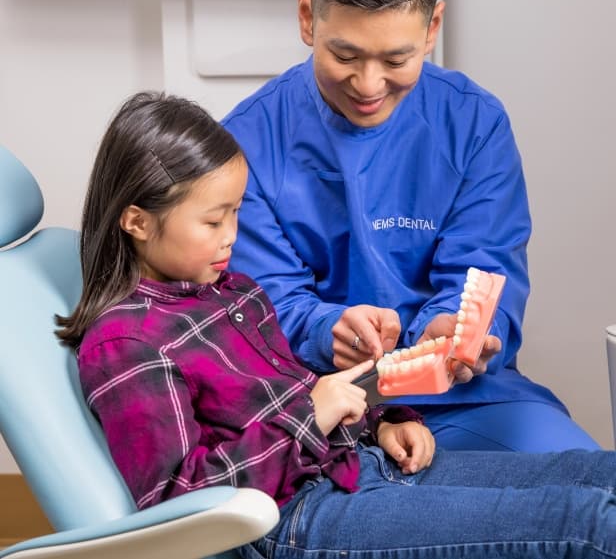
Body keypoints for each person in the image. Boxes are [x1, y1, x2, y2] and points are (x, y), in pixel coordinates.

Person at [55, 91, 616, 558]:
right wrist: (313, 416)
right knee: (587, 524)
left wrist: (387, 420)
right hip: (294, 520)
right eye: (212, 219)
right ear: (136, 221)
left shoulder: (233, 293)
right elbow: (180, 506)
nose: (232, 234)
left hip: (359, 466)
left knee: (602, 479)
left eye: (236, 211)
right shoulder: (127, 342)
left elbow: (304, 392)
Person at [221, 0, 600, 452]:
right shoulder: (245, 143)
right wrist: (329, 329)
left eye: (395, 58)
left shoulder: (473, 124)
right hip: (325, 399)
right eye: (345, 54)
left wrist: (448, 329)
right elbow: (263, 303)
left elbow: (487, 269)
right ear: (307, 19)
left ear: (432, 29)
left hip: (463, 397)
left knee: (588, 484)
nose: (368, 84)